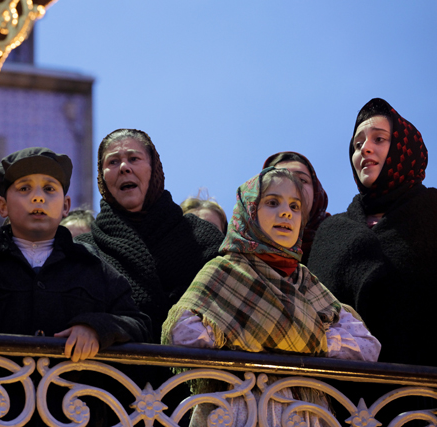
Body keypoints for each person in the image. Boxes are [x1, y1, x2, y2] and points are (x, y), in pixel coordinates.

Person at [0, 147, 151, 425]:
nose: (37, 197)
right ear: (3, 206)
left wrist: (97, 327)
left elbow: (138, 324)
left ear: (66, 205)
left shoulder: (93, 269)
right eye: (24, 188)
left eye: (49, 188)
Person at [162, 168, 380, 427]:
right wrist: (307, 335)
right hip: (235, 409)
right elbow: (183, 334)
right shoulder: (224, 271)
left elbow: (367, 348)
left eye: (295, 206)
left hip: (302, 413)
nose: (286, 212)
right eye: (272, 202)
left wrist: (244, 330)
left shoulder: (306, 282)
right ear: (249, 211)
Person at [308, 98, 436, 367]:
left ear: (404, 147)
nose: (365, 149)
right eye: (357, 145)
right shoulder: (332, 231)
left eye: (379, 139)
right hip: (342, 400)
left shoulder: (432, 212)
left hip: (422, 398)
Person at [75, 129, 224, 341]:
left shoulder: (202, 237)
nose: (124, 168)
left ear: (154, 168)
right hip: (115, 372)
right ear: (102, 176)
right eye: (113, 162)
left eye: (134, 158)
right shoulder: (84, 250)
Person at [263, 152, 330, 265]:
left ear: (316, 192)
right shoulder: (241, 253)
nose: (292, 185)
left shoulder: (342, 236)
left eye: (302, 180)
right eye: (280, 178)